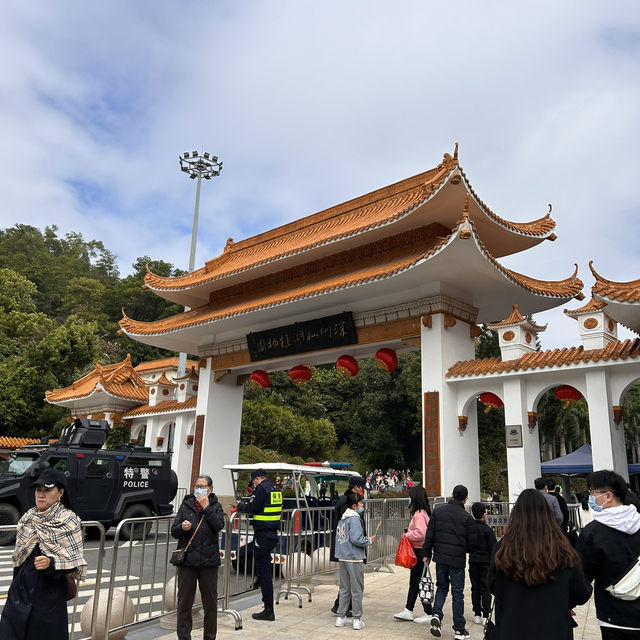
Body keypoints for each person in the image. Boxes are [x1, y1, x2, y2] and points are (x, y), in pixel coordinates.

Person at [488, 489, 592, 640]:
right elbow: (582, 592)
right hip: (554, 629)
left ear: (516, 514)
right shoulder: (562, 549)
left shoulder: (503, 548)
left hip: (512, 628)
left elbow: (492, 585)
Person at [0, 468, 87, 640]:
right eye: (38, 490)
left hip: (48, 598)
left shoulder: (69, 520)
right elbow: (19, 558)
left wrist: (51, 563)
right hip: (20, 593)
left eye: (47, 490)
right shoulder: (27, 518)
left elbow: (75, 561)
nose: (41, 494)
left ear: (60, 492)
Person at [576, 470, 640, 638]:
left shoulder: (593, 532)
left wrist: (568, 602)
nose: (590, 497)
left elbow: (580, 575)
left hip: (614, 615)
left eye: (592, 493)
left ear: (608, 496)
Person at [171, 474, 225, 640]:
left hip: (209, 562)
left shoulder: (216, 506)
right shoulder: (186, 504)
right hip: (187, 562)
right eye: (196, 486)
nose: (198, 489)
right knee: (184, 603)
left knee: (210, 604)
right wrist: (182, 527)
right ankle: (184, 636)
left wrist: (206, 507)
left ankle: (209, 636)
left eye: (202, 486)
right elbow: (174, 531)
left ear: (210, 489)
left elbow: (218, 525)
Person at [422, 484, 473, 640]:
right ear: (465, 499)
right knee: (457, 593)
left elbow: (429, 534)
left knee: (442, 587)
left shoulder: (438, 512)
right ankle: (459, 629)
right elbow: (470, 542)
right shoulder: (467, 518)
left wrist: (426, 554)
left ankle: (436, 613)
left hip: (441, 557)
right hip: (457, 559)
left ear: (452, 495)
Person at [236, 469, 283, 621]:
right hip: (271, 533)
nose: (254, 484)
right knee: (245, 554)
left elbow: (252, 508)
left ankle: (268, 610)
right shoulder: (276, 488)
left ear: (256, 479)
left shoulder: (262, 489)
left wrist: (240, 506)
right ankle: (257, 578)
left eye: (253, 482)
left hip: (263, 534)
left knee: (265, 573)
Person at [334, 493, 376, 630]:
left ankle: (340, 617)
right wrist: (369, 540)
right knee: (357, 589)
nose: (362, 506)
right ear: (354, 506)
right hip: (354, 558)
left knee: (344, 588)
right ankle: (357, 619)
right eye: (361, 503)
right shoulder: (355, 519)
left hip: (342, 556)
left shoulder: (342, 519)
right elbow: (356, 539)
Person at [394, 486, 433, 624]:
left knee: (417, 582)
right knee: (417, 582)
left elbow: (421, 533)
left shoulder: (419, 514)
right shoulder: (422, 513)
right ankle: (411, 609)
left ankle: (426, 612)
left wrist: (407, 535)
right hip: (421, 551)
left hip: (419, 551)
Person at [330, 475, 366, 616]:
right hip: (350, 549)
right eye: (361, 487)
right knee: (352, 583)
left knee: (347, 583)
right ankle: (346, 610)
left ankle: (341, 608)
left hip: (344, 547)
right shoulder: (349, 503)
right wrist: (366, 540)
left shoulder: (344, 500)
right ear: (356, 487)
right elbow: (351, 530)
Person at [467, 502, 497, 626]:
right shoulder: (488, 530)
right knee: (485, 589)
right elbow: (494, 548)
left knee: (475, 588)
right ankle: (486, 614)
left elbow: (467, 546)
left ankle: (477, 613)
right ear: (484, 515)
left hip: (473, 561)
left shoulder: (469, 529)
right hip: (486, 563)